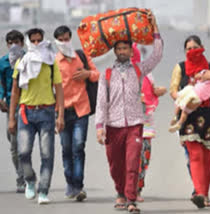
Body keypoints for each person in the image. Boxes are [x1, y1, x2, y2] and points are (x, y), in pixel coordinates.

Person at [95, 12, 163, 213]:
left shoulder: (139, 70)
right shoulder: (106, 74)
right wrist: (100, 127)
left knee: (133, 163)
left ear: (131, 51)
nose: (123, 51)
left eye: (126, 48)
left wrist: (155, 27)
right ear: (115, 51)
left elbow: (157, 55)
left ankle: (131, 199)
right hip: (112, 126)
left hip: (134, 124)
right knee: (116, 166)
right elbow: (101, 103)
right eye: (119, 49)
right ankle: (120, 193)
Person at [169, 35, 210, 208]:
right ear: (184, 51)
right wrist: (184, 98)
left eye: (195, 47)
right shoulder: (180, 68)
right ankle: (200, 194)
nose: (192, 51)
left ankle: (205, 193)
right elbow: (173, 90)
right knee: (195, 155)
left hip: (209, 115)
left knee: (206, 156)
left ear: (202, 47)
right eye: (188, 48)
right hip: (188, 114)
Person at [8, 28, 64, 205]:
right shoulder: (21, 62)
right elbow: (15, 91)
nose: (37, 44)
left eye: (40, 40)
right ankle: (30, 180)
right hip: (26, 113)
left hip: (47, 112)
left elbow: (59, 90)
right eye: (33, 41)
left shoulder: (50, 61)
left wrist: (60, 115)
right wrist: (11, 118)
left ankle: (44, 190)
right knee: (23, 152)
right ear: (28, 42)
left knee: (47, 154)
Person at [53, 25, 100, 201]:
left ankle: (79, 186)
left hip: (81, 109)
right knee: (66, 149)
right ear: (56, 42)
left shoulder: (81, 56)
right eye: (61, 40)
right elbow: (53, 90)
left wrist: (87, 74)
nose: (65, 42)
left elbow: (97, 74)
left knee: (78, 147)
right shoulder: (54, 62)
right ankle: (70, 184)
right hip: (63, 111)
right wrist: (57, 115)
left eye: (67, 38)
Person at [131, 44, 167, 202]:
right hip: (127, 124)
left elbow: (153, 90)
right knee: (129, 159)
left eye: (132, 52)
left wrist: (159, 91)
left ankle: (138, 189)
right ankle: (128, 190)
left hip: (145, 125)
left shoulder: (147, 73)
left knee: (143, 159)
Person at [0, 30, 25, 193]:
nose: (13, 45)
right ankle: (21, 172)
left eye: (16, 42)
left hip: (28, 105)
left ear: (22, 43)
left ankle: (23, 178)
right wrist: (0, 98)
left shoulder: (29, 60)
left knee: (22, 145)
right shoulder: (3, 62)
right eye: (10, 42)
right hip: (11, 106)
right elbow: (2, 83)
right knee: (13, 145)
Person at [169, 63, 210, 132]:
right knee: (182, 106)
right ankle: (177, 120)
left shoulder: (209, 71)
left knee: (182, 105)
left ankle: (177, 119)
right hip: (196, 97)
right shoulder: (181, 67)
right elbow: (173, 92)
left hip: (199, 101)